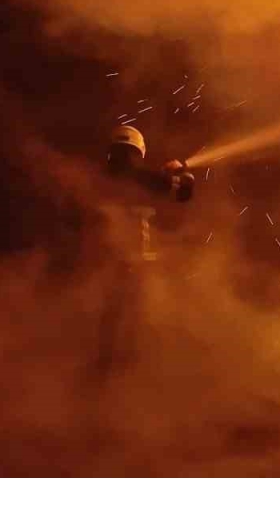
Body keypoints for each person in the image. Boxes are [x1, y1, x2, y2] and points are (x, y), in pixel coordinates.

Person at [94, 125, 194, 377]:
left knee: (107, 324)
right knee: (128, 323)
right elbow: (183, 193)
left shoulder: (99, 177)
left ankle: (102, 373)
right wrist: (183, 173)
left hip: (97, 261)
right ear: (140, 149)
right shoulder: (147, 179)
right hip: (130, 263)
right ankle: (120, 375)